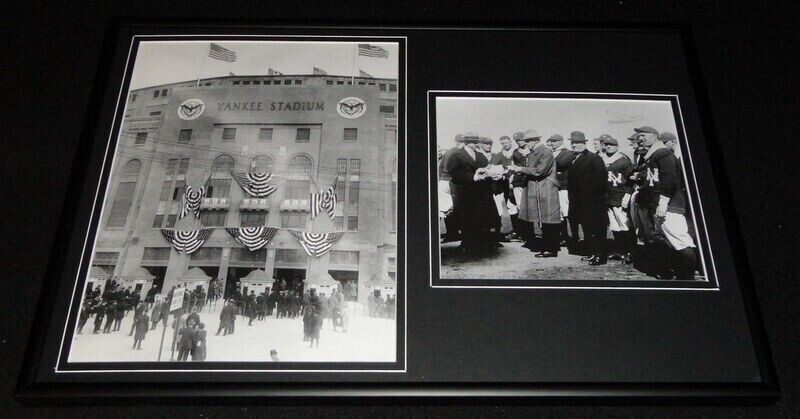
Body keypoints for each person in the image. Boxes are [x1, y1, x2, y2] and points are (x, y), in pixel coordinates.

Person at [508, 129, 561, 257]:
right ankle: (546, 246)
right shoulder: (534, 152)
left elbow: (539, 171)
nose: (526, 143)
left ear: (536, 140)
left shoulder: (545, 152)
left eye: (528, 141)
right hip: (537, 188)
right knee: (541, 219)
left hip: (545, 188)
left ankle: (551, 249)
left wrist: (520, 169)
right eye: (525, 141)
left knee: (548, 219)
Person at [445, 132, 496, 254]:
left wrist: (487, 172)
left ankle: (479, 243)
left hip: (479, 192)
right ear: (467, 143)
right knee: (465, 217)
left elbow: (485, 168)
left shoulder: (480, 155)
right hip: (464, 191)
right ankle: (466, 243)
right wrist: (472, 177)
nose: (475, 144)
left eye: (476, 141)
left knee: (479, 217)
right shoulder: (456, 155)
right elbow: (453, 171)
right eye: (473, 142)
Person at [566, 131, 609, 265]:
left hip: (593, 202)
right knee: (587, 229)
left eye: (578, 143)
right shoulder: (574, 158)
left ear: (585, 143)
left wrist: (591, 196)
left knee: (597, 229)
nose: (575, 146)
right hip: (580, 202)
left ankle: (600, 256)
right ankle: (592, 253)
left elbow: (601, 179)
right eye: (573, 143)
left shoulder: (593, 158)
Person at [601, 135, 636, 264]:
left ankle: (630, 253)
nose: (608, 146)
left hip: (620, 196)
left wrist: (627, 195)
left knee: (625, 226)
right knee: (615, 227)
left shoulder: (623, 160)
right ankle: (620, 251)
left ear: (617, 147)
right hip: (609, 197)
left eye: (611, 145)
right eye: (607, 145)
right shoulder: (604, 159)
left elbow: (631, 181)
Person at [546, 134, 575, 247]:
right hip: (554, 187)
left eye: (554, 141)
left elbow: (561, 164)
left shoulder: (567, 153)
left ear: (560, 141)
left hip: (564, 186)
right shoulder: (551, 152)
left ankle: (574, 238)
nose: (552, 143)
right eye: (551, 141)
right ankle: (564, 237)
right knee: (559, 214)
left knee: (567, 212)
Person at [439, 134, 465, 243]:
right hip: (452, 182)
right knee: (457, 207)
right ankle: (456, 234)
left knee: (445, 209)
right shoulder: (460, 153)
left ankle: (451, 233)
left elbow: (440, 168)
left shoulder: (448, 151)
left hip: (443, 181)